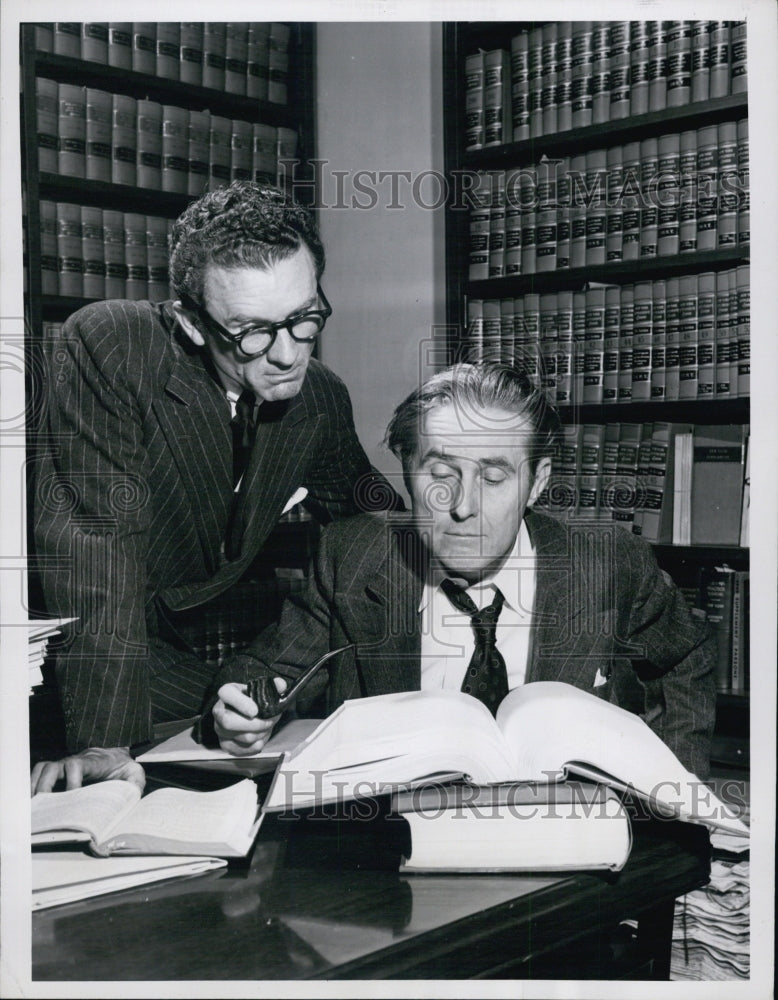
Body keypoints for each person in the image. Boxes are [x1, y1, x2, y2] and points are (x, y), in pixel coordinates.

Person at [30, 181, 401, 794]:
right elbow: (95, 541)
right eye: (252, 330)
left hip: (173, 654)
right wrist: (101, 739)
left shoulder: (322, 395)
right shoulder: (114, 345)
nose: (286, 354)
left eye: (304, 319)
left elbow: (377, 525)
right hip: (65, 650)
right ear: (191, 323)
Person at [208, 361, 716, 779]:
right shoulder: (354, 555)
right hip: (399, 845)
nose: (463, 506)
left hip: (567, 842)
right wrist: (242, 710)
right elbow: (264, 672)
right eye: (440, 472)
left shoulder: (608, 564)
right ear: (407, 468)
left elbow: (687, 657)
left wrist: (671, 792)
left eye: (494, 477)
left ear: (537, 483)